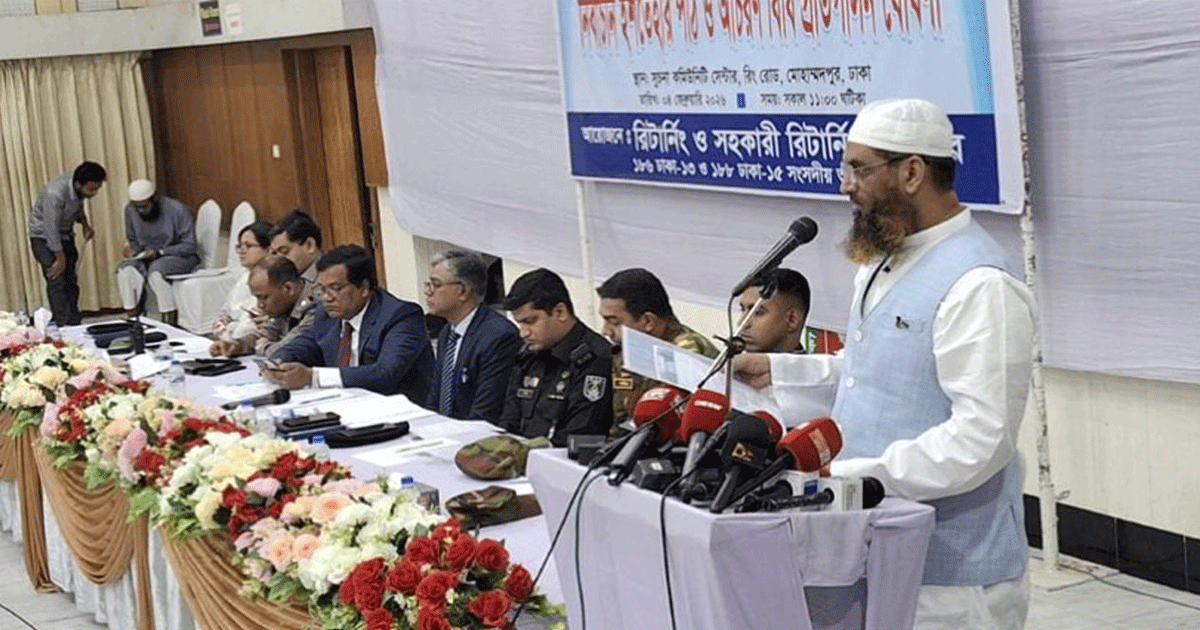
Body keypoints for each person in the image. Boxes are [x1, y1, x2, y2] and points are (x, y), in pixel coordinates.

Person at [733, 99, 1035, 630]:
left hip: (950, 577)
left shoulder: (980, 284)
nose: (845, 185)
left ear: (912, 172)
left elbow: (982, 439)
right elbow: (872, 372)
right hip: (869, 538)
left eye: (859, 169)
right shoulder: (883, 262)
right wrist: (779, 371)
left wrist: (852, 474)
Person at [267, 244, 435, 401]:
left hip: (399, 409)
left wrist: (313, 377)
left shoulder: (401, 316)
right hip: (346, 403)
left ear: (364, 288)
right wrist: (278, 363)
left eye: (335, 288)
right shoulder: (326, 314)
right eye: (321, 289)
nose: (326, 298)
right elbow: (306, 343)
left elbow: (385, 374)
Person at [496, 268, 612, 446]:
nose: (523, 333)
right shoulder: (529, 354)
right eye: (520, 324)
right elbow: (509, 420)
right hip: (521, 455)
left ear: (560, 312)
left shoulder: (595, 358)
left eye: (530, 321)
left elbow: (579, 436)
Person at [596, 268, 719, 425]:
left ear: (648, 321)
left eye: (614, 322)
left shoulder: (685, 354)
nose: (605, 331)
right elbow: (619, 420)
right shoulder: (628, 350)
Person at [424, 250, 521, 422]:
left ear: (463, 291)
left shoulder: (498, 337)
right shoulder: (448, 332)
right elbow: (435, 399)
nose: (428, 292)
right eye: (428, 284)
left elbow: (485, 413)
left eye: (436, 285)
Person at [28, 161, 106, 325]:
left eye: (97, 189)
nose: (94, 193)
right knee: (56, 278)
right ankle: (62, 324)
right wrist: (60, 257)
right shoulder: (54, 194)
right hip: (43, 236)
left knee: (71, 279)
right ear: (79, 184)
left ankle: (74, 321)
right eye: (92, 189)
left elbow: (78, 205)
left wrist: (85, 225)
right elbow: (50, 228)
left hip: (65, 234)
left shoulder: (78, 186)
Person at [115, 179, 200, 326]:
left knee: (156, 273)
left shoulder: (177, 209)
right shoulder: (130, 210)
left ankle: (170, 321)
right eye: (137, 207)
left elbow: (190, 246)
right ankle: (133, 319)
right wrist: (132, 250)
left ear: (154, 199)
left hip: (177, 256)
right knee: (125, 270)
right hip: (146, 256)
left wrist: (161, 252)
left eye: (144, 206)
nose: (140, 211)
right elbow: (132, 239)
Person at [209, 256, 316, 358]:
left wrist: (262, 346)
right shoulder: (285, 303)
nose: (259, 305)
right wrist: (236, 345)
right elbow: (266, 334)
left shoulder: (315, 306)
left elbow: (287, 351)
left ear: (288, 288)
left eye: (264, 297)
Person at [211, 221, 273, 342]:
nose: (242, 251)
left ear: (268, 249)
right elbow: (224, 313)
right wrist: (221, 331)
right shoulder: (245, 277)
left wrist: (232, 340)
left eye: (248, 246)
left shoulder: (273, 281)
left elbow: (253, 325)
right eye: (240, 246)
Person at [735, 267, 811, 354]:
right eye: (742, 310)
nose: (742, 323)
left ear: (792, 319)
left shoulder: (816, 363)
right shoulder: (730, 360)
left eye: (757, 312)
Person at [268, 210, 322, 282]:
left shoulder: (331, 277)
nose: (278, 259)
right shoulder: (285, 280)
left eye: (284, 251)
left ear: (310, 245)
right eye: (274, 253)